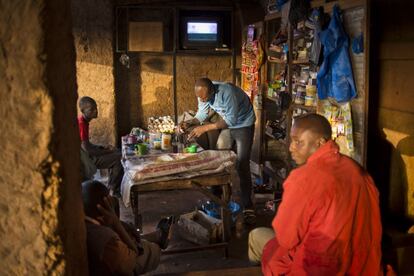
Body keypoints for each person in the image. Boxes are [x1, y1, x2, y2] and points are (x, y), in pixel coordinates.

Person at [248, 113, 382, 275]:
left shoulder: (303, 179)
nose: (291, 147)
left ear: (321, 142)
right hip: (361, 266)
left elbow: (287, 238)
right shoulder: (357, 171)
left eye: (298, 142)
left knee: (256, 236)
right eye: (292, 140)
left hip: (317, 267)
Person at [180, 78, 256, 224]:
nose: (202, 99)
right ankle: (216, 197)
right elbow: (201, 115)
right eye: (200, 97)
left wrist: (205, 128)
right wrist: (190, 122)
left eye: (204, 97)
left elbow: (231, 121)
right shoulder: (202, 93)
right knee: (218, 159)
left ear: (213, 91)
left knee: (242, 163)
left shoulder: (228, 93)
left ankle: (248, 206)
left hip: (243, 123)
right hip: (229, 123)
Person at [82, 180, 173, 275]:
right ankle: (158, 248)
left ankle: (156, 237)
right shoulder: (106, 240)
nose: (112, 201)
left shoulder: (83, 220)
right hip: (124, 264)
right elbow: (134, 253)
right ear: (102, 213)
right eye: (109, 204)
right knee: (152, 250)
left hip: (114, 256)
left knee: (129, 232)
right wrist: (116, 224)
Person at [78, 96, 124, 196]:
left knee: (116, 151)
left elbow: (87, 145)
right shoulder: (82, 124)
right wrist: (108, 151)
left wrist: (101, 148)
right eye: (91, 109)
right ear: (83, 110)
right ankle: (113, 190)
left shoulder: (84, 122)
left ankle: (111, 187)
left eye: (96, 108)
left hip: (87, 154)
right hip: (86, 159)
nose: (95, 111)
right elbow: (88, 150)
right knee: (119, 157)